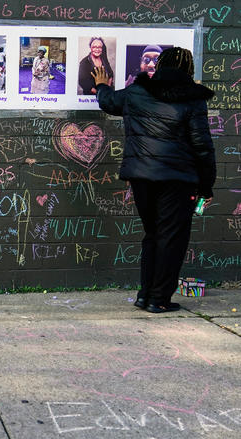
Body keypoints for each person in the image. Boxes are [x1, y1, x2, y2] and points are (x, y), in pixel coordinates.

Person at [93, 47, 216, 313]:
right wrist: (206, 186)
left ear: (159, 65)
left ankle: (145, 295)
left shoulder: (137, 91)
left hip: (142, 177)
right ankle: (159, 299)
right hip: (178, 180)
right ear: (189, 70)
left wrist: (102, 85)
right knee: (171, 239)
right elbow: (203, 146)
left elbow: (109, 102)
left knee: (152, 235)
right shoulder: (193, 98)